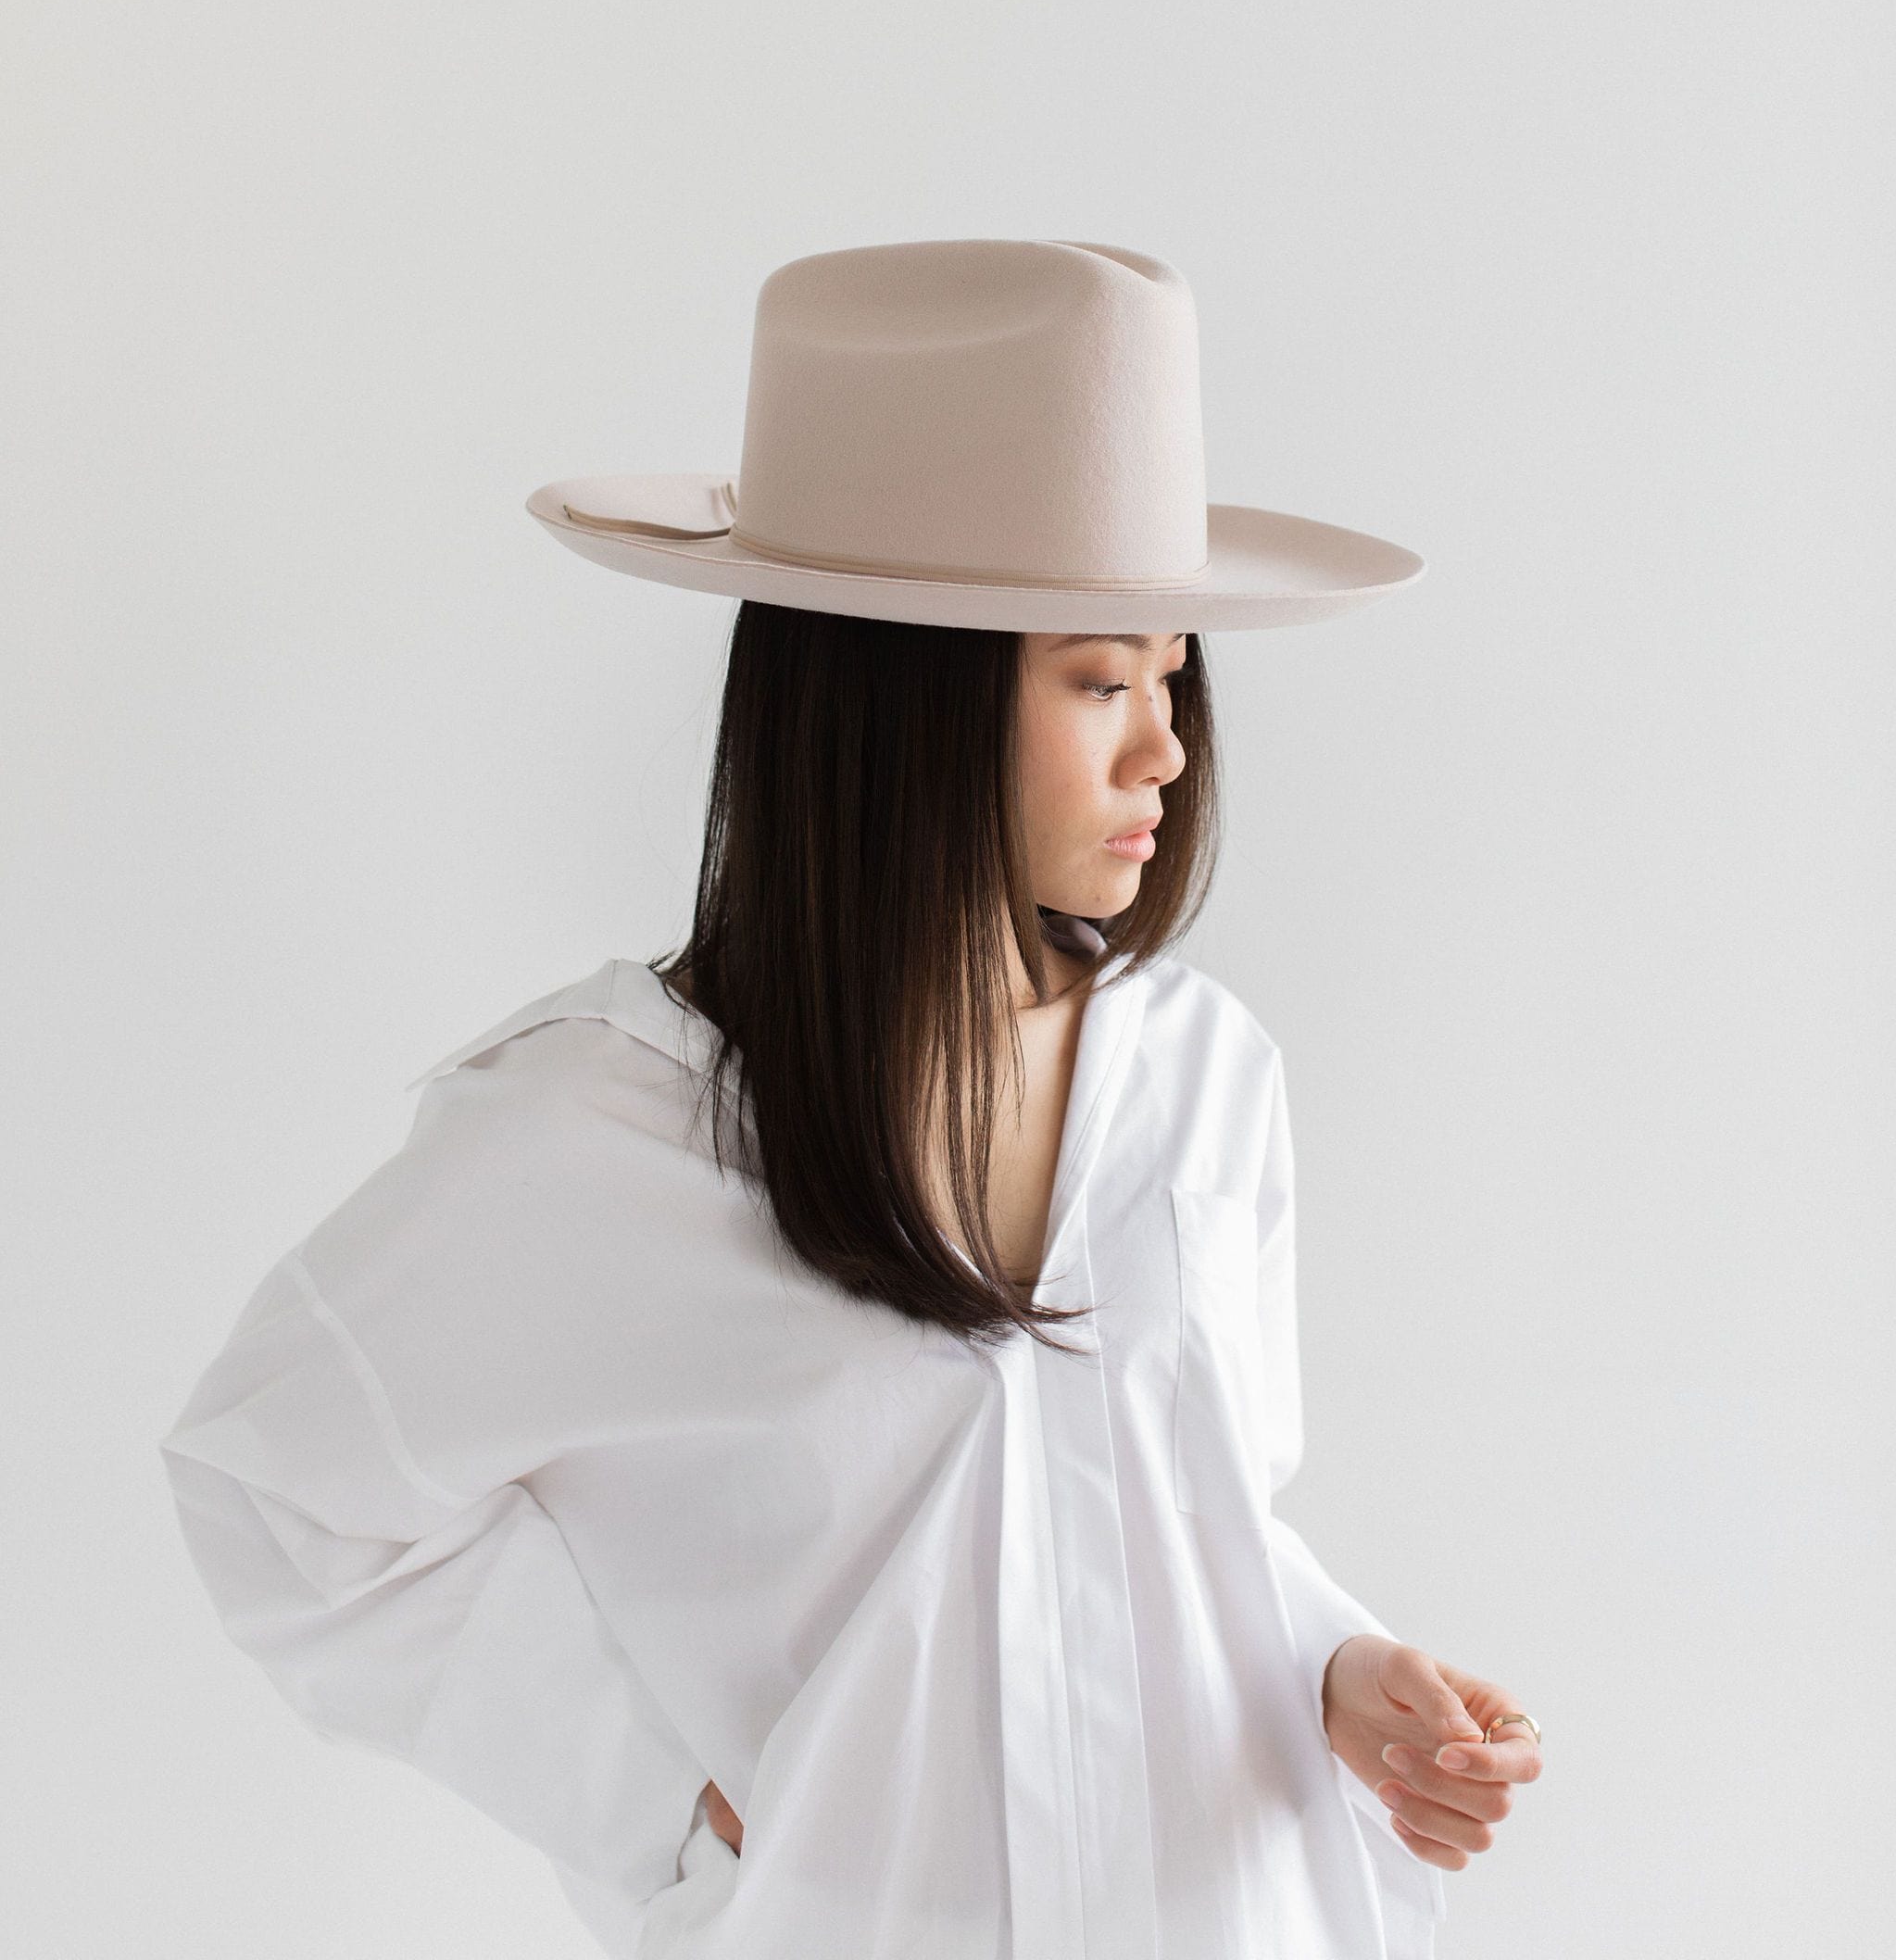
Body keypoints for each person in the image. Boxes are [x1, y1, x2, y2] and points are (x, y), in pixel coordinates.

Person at [159, 238, 1543, 1959]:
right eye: (1099, 681)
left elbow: (1175, 1516)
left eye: (1172, 677)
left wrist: (1335, 1668)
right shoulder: (605, 1132)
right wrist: (655, 1812)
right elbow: (273, 1480)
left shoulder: (1203, 1077)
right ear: (905, 704)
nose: (1165, 753)